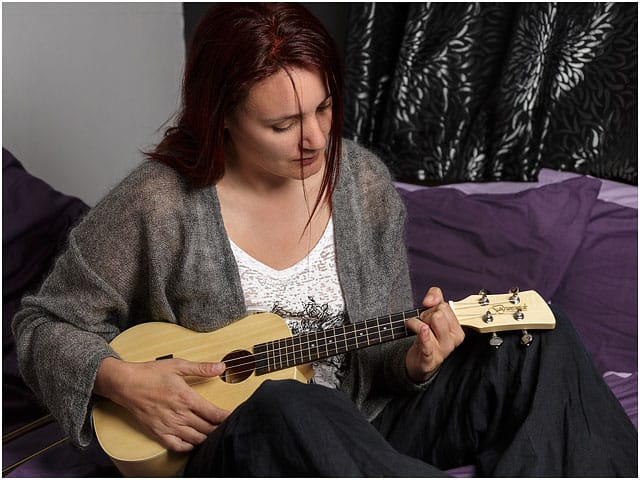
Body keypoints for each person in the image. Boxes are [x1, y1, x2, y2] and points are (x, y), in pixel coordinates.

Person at [12, 3, 637, 477]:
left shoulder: (361, 183)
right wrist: (119, 380)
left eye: (323, 109)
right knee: (291, 402)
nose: (315, 139)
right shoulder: (157, 203)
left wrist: (417, 363)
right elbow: (43, 323)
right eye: (282, 124)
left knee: (537, 343)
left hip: (369, 431)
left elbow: (380, 366)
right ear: (222, 117)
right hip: (244, 445)